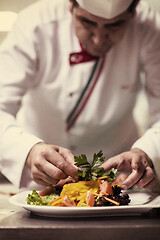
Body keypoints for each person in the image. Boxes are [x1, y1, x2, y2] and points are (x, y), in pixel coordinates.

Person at [0, 0, 160, 191]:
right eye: (87, 22)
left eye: (115, 25)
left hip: (122, 180)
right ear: (71, 5)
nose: (99, 40)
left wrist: (146, 151)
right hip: (44, 179)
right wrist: (29, 151)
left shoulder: (149, 27)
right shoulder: (34, 24)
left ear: (134, 10)